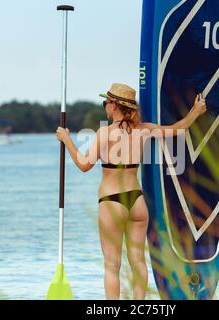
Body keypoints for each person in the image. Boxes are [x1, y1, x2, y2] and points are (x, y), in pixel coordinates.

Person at [55, 83, 207, 299]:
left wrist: (66, 139)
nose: (104, 106)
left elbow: (83, 164)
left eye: (106, 102)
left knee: (112, 264)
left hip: (111, 201)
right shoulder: (144, 130)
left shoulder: (105, 133)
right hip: (137, 202)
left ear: (114, 106)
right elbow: (179, 129)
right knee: (137, 260)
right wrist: (196, 111)